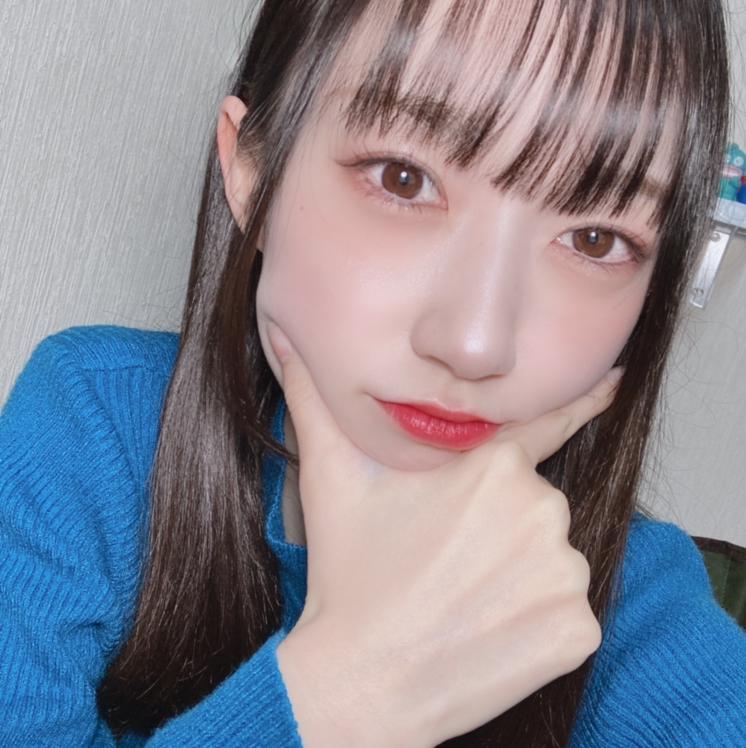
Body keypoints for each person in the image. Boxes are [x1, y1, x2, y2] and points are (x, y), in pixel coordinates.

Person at [1, 0, 744, 745]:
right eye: (404, 179)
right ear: (253, 173)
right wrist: (345, 690)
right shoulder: (90, 433)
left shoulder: (634, 601)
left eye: (594, 239)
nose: (475, 344)